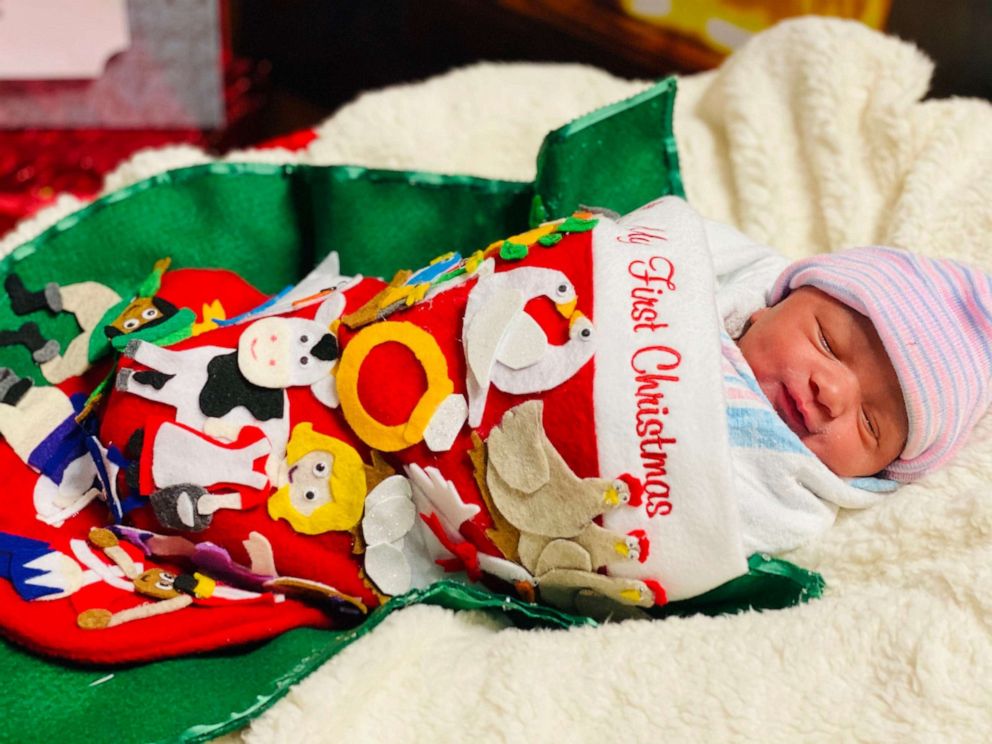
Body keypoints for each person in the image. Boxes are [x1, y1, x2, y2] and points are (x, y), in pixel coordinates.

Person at [716, 239, 992, 555]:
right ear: (772, 305)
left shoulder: (792, 508)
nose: (832, 394)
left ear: (877, 474)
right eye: (827, 343)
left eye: (869, 424)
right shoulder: (719, 275)